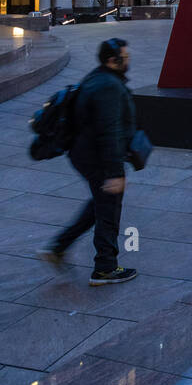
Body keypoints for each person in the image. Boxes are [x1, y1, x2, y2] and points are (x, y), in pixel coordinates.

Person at [37, 38, 138, 285]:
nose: (129, 60)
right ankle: (105, 268)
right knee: (108, 210)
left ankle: (58, 247)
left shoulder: (98, 77)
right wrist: (114, 172)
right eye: (125, 57)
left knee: (101, 204)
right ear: (112, 60)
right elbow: (109, 131)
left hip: (85, 153)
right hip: (98, 158)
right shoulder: (108, 88)